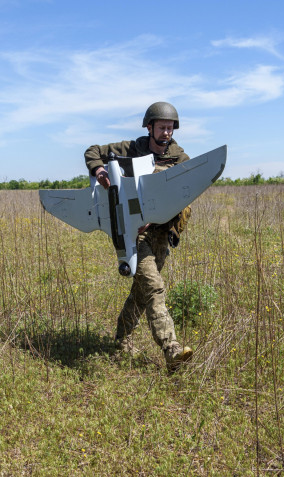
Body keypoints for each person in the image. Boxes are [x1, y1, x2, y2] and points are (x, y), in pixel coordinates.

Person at [84, 101, 194, 372]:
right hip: (135, 232)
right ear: (150, 127)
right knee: (154, 288)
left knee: (141, 293)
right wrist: (100, 170)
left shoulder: (181, 159)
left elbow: (186, 192)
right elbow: (93, 151)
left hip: (161, 234)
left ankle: (121, 340)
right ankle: (172, 350)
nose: (166, 132)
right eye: (162, 127)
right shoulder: (132, 148)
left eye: (170, 128)